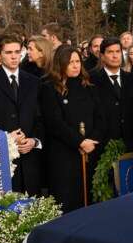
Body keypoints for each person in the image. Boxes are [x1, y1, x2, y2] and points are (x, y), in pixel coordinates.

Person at [0, 33, 44, 196]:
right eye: (8, 52)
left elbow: (40, 118)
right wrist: (4, 138)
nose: (14, 56)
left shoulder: (34, 81)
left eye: (17, 52)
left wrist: (34, 141)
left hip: (30, 161)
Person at [39, 46, 104, 212]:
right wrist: (79, 142)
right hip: (64, 154)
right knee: (68, 200)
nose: (75, 66)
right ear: (60, 64)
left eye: (77, 61)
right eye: (70, 62)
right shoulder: (49, 88)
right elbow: (55, 123)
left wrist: (92, 140)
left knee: (90, 198)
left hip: (90, 150)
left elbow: (100, 117)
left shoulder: (89, 86)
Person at [89, 37, 133, 157]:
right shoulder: (92, 80)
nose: (115, 56)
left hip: (130, 146)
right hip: (102, 147)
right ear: (102, 56)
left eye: (118, 51)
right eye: (110, 52)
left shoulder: (132, 79)